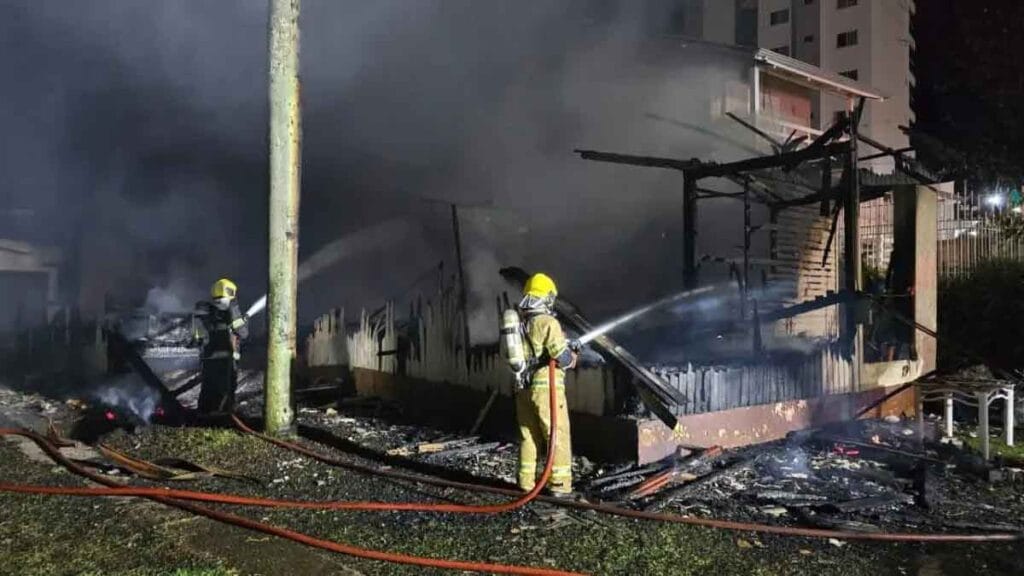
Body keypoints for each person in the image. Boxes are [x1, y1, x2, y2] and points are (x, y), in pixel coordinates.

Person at [516, 272, 577, 496]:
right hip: (546, 388)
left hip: (523, 387)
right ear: (547, 297)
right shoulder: (547, 322)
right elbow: (560, 357)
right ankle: (560, 485)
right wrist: (572, 357)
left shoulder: (521, 324)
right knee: (557, 433)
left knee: (528, 435)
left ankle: (525, 483)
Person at [194, 278, 249, 414]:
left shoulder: (206, 313)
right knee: (226, 392)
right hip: (227, 362)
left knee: (208, 389)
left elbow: (199, 337)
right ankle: (223, 417)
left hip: (209, 361)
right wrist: (237, 313)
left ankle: (204, 415)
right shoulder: (232, 311)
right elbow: (243, 333)